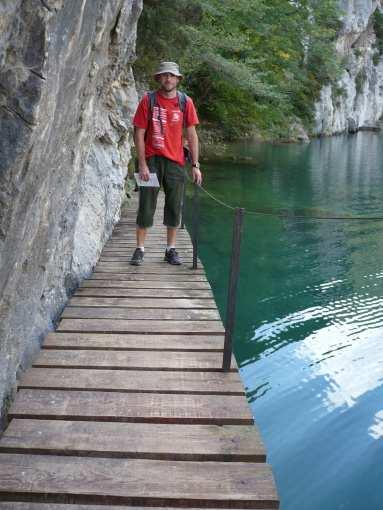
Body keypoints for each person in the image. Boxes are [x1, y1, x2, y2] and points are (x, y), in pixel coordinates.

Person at [130, 61, 202, 266]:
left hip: (176, 162)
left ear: (178, 79)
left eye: (172, 75)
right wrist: (142, 164)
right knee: (146, 205)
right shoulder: (148, 101)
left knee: (174, 207)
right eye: (164, 75)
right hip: (151, 161)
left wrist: (195, 165)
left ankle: (170, 250)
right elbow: (139, 133)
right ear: (159, 78)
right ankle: (140, 249)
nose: (168, 79)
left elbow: (192, 134)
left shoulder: (185, 102)